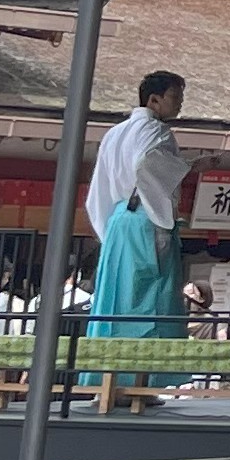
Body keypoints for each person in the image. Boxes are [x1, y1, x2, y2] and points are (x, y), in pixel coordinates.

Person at [82, 70, 191, 343]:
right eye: (175, 97)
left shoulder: (114, 133)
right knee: (152, 295)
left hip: (118, 218)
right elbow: (148, 163)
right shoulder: (158, 131)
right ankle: (145, 375)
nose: (179, 104)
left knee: (116, 295)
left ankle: (105, 371)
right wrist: (189, 167)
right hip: (146, 217)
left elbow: (101, 185)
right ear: (154, 100)